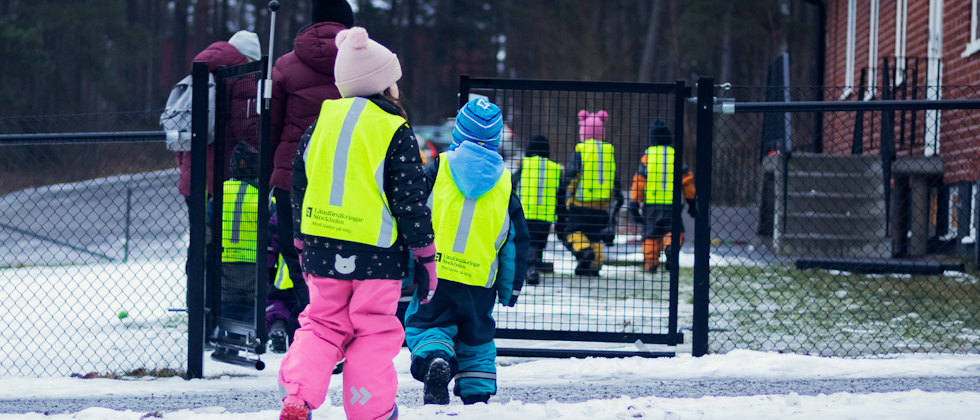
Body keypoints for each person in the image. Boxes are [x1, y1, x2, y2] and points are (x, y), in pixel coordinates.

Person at [278, 27, 436, 420]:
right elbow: (410, 200)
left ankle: (297, 396)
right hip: (377, 256)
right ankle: (371, 411)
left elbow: (300, 184)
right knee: (373, 331)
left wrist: (300, 239)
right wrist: (425, 254)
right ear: (384, 83)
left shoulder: (320, 124)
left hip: (321, 247)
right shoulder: (393, 129)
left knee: (320, 324)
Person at [404, 98, 529, 406]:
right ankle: (477, 390)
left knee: (428, 324)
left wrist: (405, 264)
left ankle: (436, 359)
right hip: (479, 279)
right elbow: (514, 241)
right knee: (477, 337)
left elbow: (414, 213)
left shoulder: (439, 167)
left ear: (459, 132)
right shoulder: (505, 183)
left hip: (434, 272)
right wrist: (510, 288)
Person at [269, 0, 355, 344]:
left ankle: (313, 328)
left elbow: (271, 125)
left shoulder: (285, 65)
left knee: (296, 255)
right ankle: (337, 330)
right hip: (346, 177)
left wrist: (272, 169)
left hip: (291, 174)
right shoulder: (362, 63)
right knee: (343, 254)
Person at [628, 120, 697, 274]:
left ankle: (651, 264)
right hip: (673, 205)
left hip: (651, 205)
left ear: (652, 139)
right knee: (673, 230)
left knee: (650, 235)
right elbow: (687, 181)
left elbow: (639, 181)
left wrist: (634, 202)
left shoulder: (647, 157)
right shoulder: (675, 156)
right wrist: (691, 201)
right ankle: (671, 247)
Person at [560, 110, 622, 276]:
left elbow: (572, 175)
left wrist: (565, 193)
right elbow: (614, 178)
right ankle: (594, 265)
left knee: (572, 233)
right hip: (602, 205)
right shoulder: (608, 152)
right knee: (594, 236)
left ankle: (584, 252)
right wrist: (617, 197)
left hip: (580, 203)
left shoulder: (581, 150)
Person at [513, 134, 562, 285]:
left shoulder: (524, 165)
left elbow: (512, 185)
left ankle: (531, 269)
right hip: (546, 215)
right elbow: (560, 193)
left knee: (529, 243)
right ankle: (533, 268)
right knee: (539, 244)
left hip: (526, 213)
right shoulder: (555, 168)